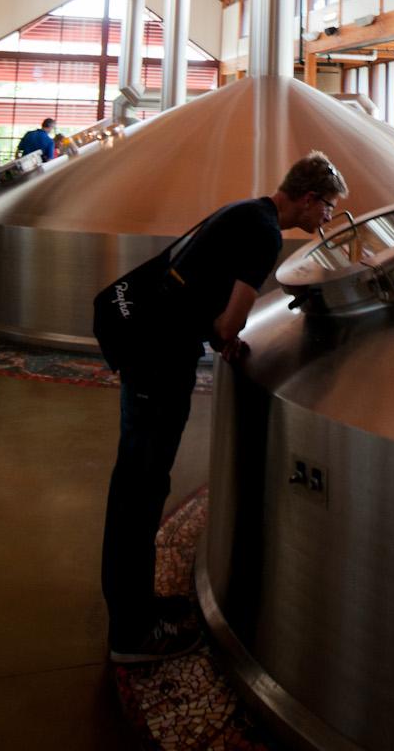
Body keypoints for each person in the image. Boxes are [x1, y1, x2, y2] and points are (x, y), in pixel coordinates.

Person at [100, 149, 348, 666]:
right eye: (326, 207)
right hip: (159, 363)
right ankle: (130, 633)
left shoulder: (244, 210)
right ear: (306, 198)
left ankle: (138, 604)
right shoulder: (266, 234)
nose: (327, 217)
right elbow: (226, 323)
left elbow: (197, 285)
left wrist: (219, 336)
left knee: (138, 482)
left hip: (147, 349)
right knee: (140, 489)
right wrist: (230, 337)